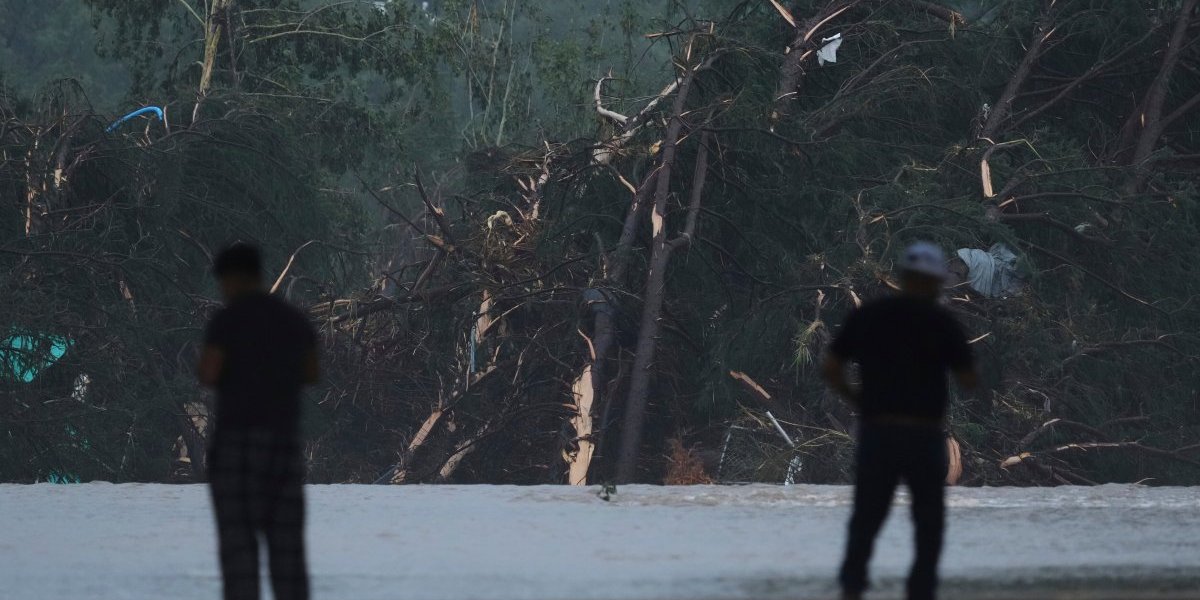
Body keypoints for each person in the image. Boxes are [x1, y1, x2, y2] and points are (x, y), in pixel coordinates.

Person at [822, 242, 978, 600]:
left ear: (903, 278)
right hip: (923, 438)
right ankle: (920, 591)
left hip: (878, 435)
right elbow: (969, 380)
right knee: (928, 525)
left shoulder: (871, 316)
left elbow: (831, 367)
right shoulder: (942, 323)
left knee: (866, 520)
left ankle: (852, 588)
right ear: (938, 281)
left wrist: (857, 398)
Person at [198, 243, 319, 600]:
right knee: (287, 552)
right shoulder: (294, 320)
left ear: (232, 278)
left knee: (239, 553)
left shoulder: (226, 321)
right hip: (282, 444)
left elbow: (208, 373)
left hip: (236, 445)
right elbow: (311, 373)